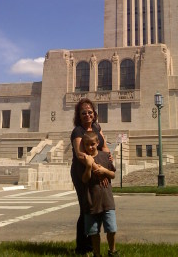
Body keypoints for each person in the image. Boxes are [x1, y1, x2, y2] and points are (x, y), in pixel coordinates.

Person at [70, 98, 110, 255]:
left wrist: (107, 160)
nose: (87, 115)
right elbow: (81, 155)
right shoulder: (78, 131)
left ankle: (92, 244)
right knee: (85, 208)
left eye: (90, 112)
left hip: (97, 168)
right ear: (79, 116)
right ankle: (82, 247)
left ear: (94, 114)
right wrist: (99, 170)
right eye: (83, 113)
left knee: (96, 206)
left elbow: (104, 146)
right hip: (82, 172)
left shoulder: (96, 127)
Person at [80, 131, 119, 257]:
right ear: (84, 146)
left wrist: (104, 171)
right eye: (87, 145)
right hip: (92, 201)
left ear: (97, 143)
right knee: (94, 232)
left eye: (92, 144)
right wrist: (88, 166)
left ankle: (112, 251)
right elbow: (85, 180)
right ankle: (97, 254)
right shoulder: (84, 159)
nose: (90, 147)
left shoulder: (105, 156)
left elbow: (113, 174)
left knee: (111, 229)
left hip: (107, 200)